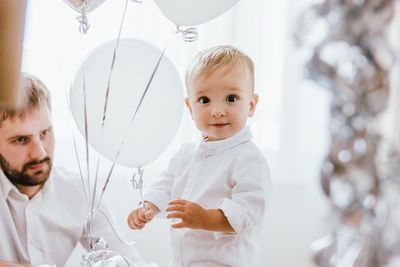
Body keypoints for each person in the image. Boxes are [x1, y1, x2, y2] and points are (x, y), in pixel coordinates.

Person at [127, 45, 273, 267]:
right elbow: (166, 185)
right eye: (204, 100)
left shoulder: (248, 159)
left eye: (231, 98)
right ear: (190, 107)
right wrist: (148, 207)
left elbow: (248, 214)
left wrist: (205, 218)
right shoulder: (186, 153)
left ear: (251, 105)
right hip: (182, 260)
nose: (217, 111)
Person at [0, 73, 156, 267]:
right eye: (21, 140)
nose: (40, 153)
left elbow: (127, 260)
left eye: (45, 133)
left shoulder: (78, 190)